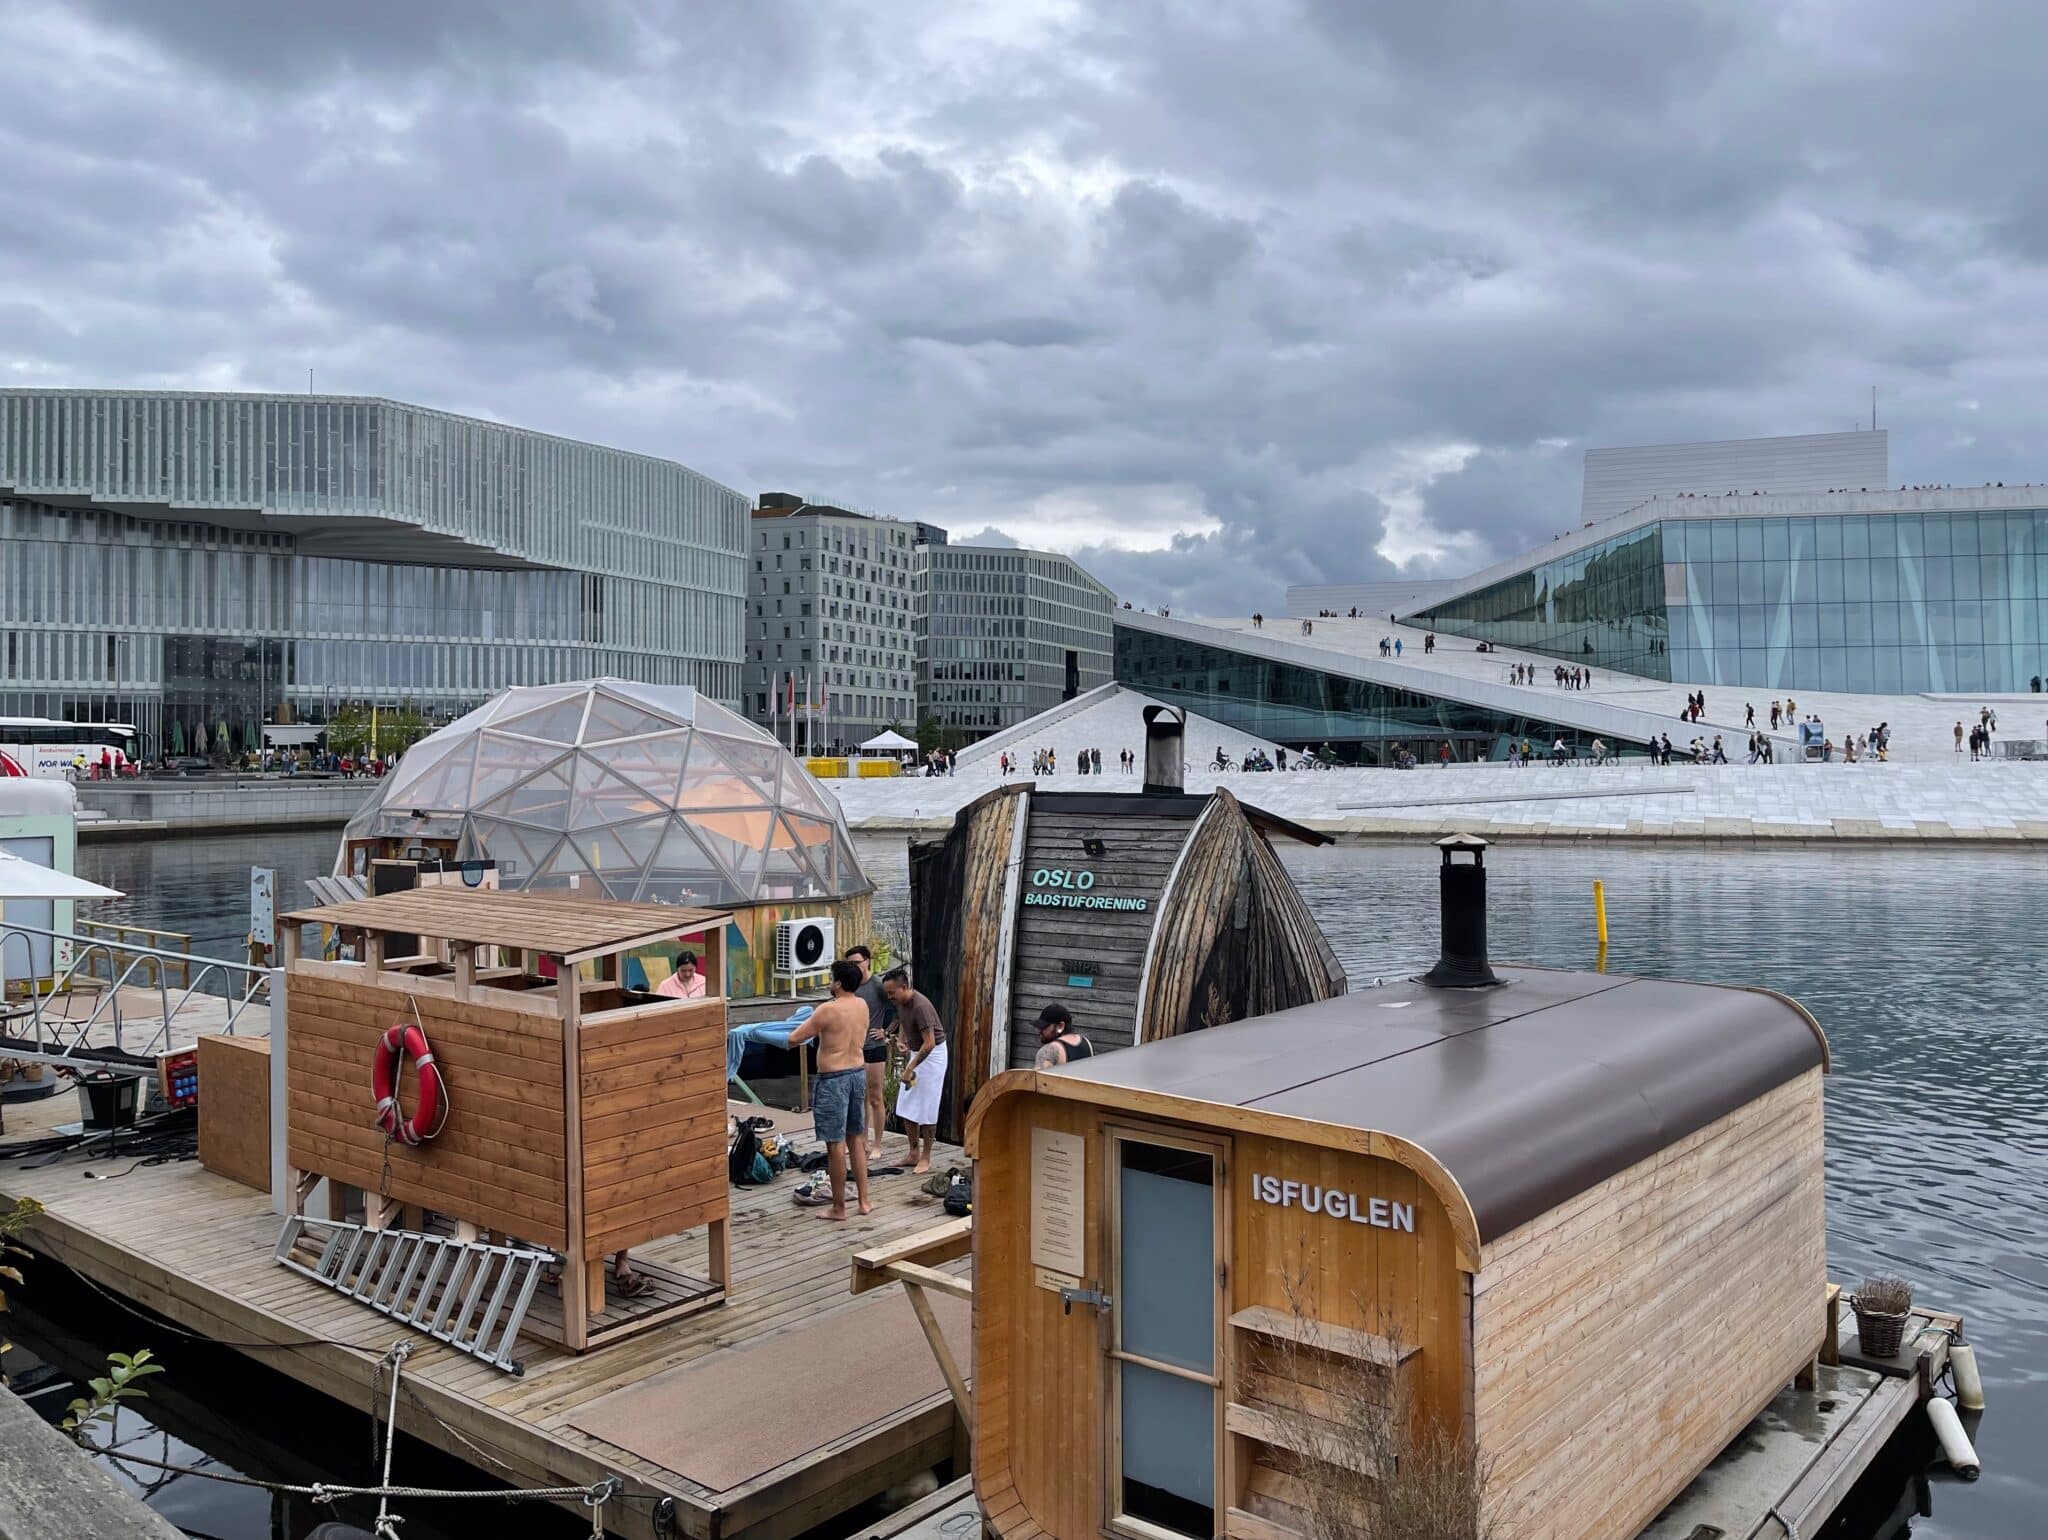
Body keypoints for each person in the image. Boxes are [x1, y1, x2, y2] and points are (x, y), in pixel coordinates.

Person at [788, 960, 873, 1220]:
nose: (829, 982)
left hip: (834, 1078)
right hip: (857, 1074)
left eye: (831, 978)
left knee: (835, 1146)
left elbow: (794, 1038)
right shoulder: (863, 1005)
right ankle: (864, 1201)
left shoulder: (827, 1010)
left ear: (837, 983)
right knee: (856, 1139)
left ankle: (839, 1208)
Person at [882, 969, 947, 1174]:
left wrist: (910, 1067)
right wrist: (902, 1039)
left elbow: (930, 1043)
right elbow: (902, 1020)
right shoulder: (901, 1002)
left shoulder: (921, 1006)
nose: (890, 997)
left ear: (904, 987)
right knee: (906, 1102)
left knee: (927, 1106)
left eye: (892, 992)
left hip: (933, 1056)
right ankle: (913, 1153)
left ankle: (926, 1157)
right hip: (917, 1053)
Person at [846, 944, 893, 1160]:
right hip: (855, 1047)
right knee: (859, 1097)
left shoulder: (878, 985)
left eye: (857, 962)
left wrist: (886, 1031)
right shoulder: (852, 985)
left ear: (867, 961)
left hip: (875, 1048)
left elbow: (898, 1007)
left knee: (875, 1096)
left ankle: (877, 1144)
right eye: (850, 964)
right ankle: (861, 1139)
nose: (855, 967)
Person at [1032, 1003, 1094, 1068]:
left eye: (1044, 1026)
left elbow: (1037, 1078)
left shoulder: (1047, 1051)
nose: (1040, 1031)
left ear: (1060, 1026)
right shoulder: (1086, 1042)